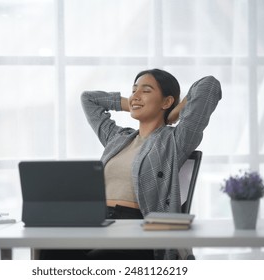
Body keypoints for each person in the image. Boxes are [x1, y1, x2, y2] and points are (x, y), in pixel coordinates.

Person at [40, 69, 222, 260]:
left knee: (96, 261)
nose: (135, 95)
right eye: (134, 90)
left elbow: (209, 86)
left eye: (146, 90)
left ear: (166, 101)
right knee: (51, 252)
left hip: (137, 227)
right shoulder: (117, 138)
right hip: (98, 222)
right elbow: (88, 99)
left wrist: (174, 112)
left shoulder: (175, 141)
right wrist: (134, 103)